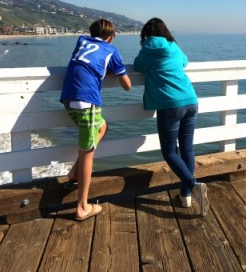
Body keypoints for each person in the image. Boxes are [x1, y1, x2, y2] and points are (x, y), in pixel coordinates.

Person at [133, 17, 209, 216]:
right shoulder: (173, 46)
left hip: (170, 105)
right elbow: (185, 62)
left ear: (146, 34)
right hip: (191, 100)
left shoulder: (148, 49)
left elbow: (138, 66)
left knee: (169, 152)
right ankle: (186, 195)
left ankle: (192, 185)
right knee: (186, 148)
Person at [60, 19, 131, 221]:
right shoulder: (111, 50)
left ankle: (74, 172)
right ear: (110, 37)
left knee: (102, 127)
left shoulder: (81, 41)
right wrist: (115, 71)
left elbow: (88, 62)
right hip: (87, 102)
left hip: (68, 98)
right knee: (88, 153)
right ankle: (82, 206)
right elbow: (127, 85)